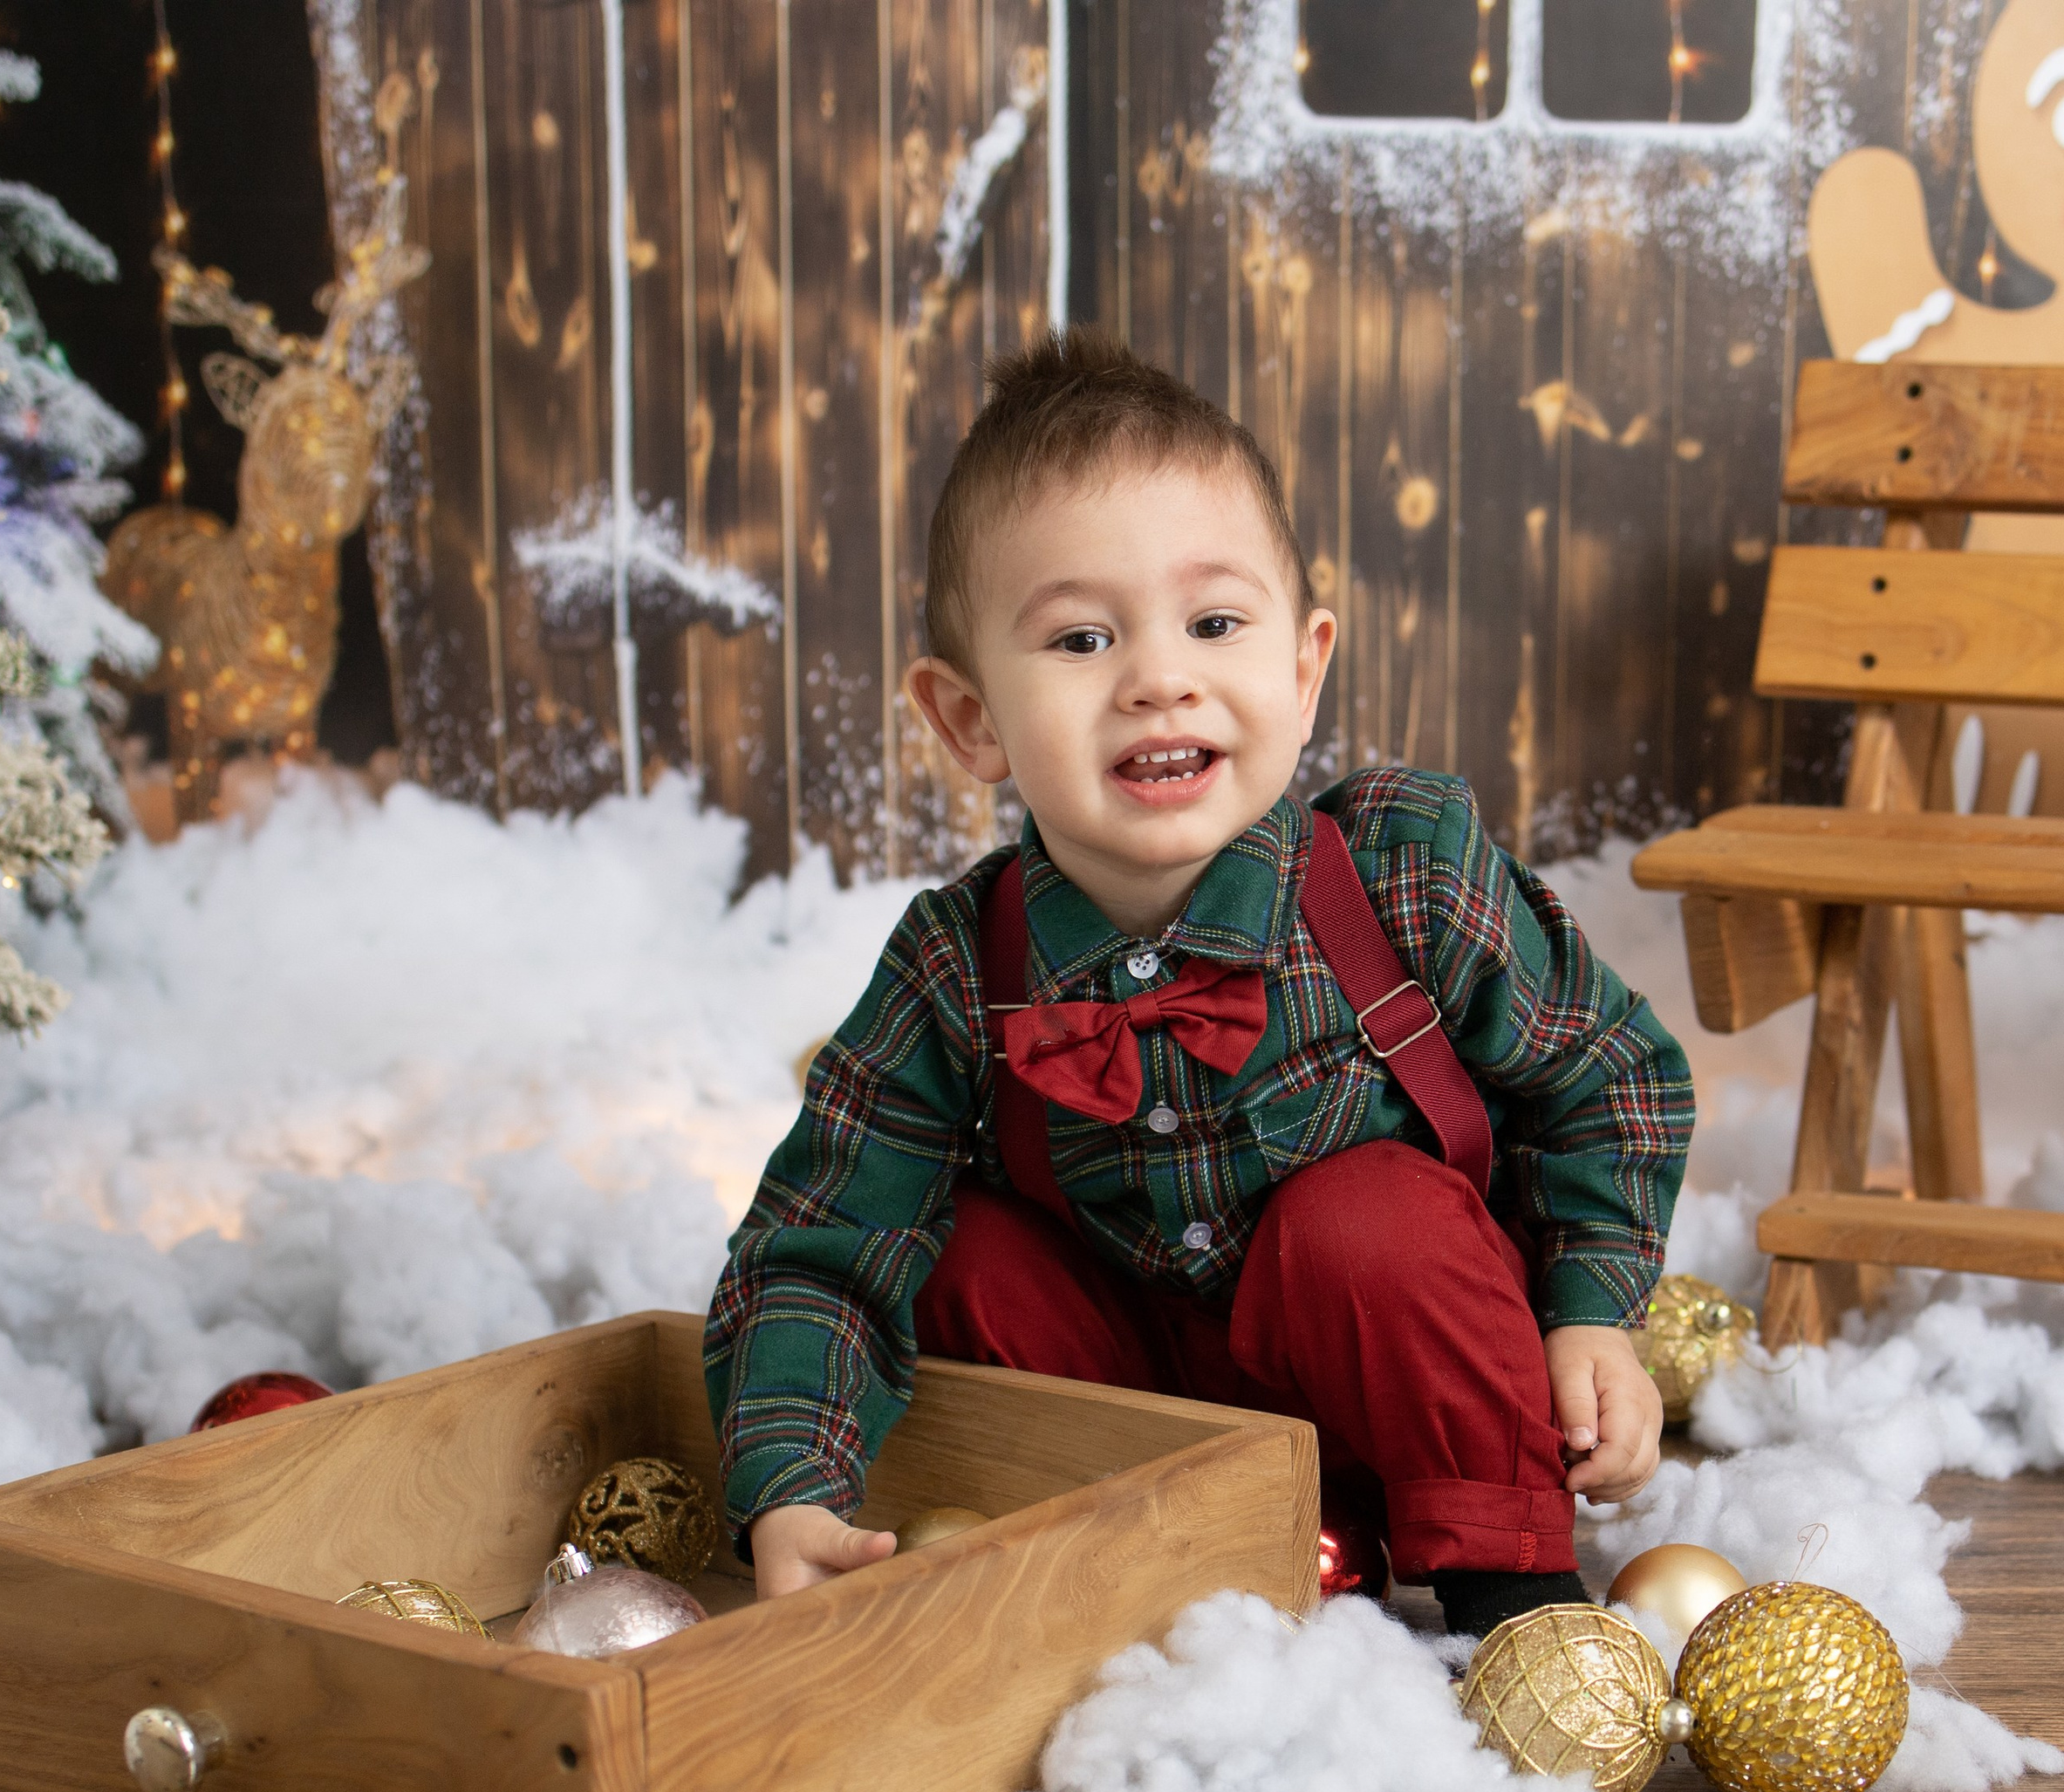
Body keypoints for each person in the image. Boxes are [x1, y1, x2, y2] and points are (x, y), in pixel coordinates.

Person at [704, 329, 1693, 1637]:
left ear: (1301, 664)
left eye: (1215, 622)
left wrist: (1592, 1313)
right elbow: (813, 1255)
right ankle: (1115, 1578)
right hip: (1134, 1430)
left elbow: (1609, 1079)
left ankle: (1509, 1596)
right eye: (1079, 640)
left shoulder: (1401, 875)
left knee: (1371, 1219)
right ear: (969, 721)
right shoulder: (958, 970)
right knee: (956, 1251)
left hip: (1404, 1392)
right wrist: (788, 1484)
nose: (1159, 678)